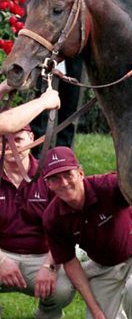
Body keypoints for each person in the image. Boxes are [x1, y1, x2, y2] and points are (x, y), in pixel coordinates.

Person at [22, 0, 116, 152]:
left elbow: (109, 3)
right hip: (47, 41)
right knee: (39, 105)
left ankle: (63, 162)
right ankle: (36, 159)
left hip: (82, 45)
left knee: (71, 110)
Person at [42, 146, 132, 319]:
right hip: (103, 267)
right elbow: (70, 263)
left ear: (80, 173)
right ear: (48, 184)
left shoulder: (108, 186)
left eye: (68, 175)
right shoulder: (53, 217)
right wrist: (95, 310)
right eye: (56, 179)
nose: (64, 183)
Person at [0, 124, 74, 319]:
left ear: (31, 138)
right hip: (2, 254)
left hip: (41, 256)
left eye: (17, 140)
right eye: (4, 140)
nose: (10, 146)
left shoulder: (48, 176)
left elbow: (65, 229)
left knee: (63, 289)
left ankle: (46, 313)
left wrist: (50, 266)